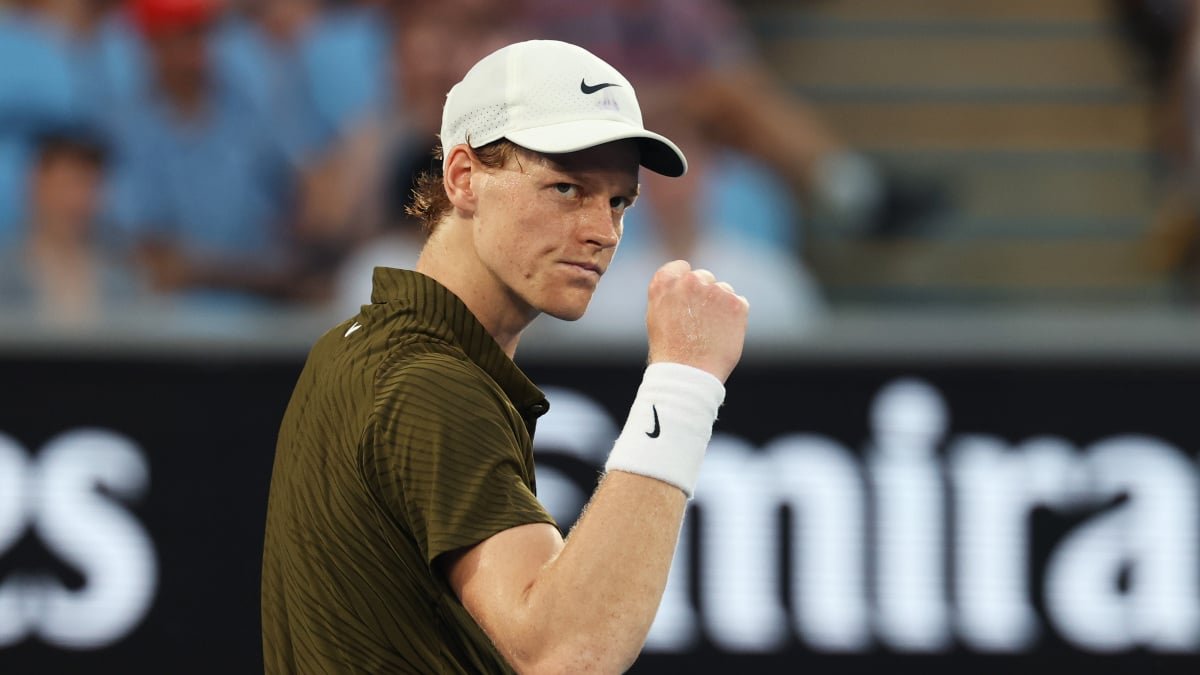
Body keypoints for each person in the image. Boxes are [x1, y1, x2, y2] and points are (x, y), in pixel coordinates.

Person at [261, 39, 749, 673]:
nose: (603, 231)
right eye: (566, 188)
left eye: (618, 201)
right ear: (464, 178)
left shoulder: (353, 349)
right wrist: (683, 383)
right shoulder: (431, 386)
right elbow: (567, 654)